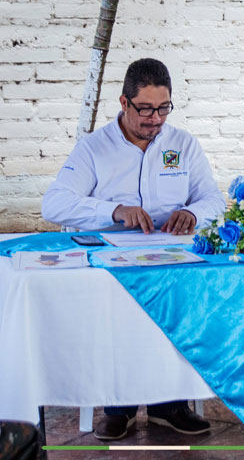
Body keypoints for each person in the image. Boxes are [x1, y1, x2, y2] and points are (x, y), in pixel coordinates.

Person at [42, 58, 225, 440]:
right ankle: (118, 407)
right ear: (124, 103)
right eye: (145, 109)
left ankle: (170, 405)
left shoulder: (183, 145)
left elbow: (213, 199)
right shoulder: (94, 148)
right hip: (113, 260)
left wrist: (192, 212)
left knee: (183, 304)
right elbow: (54, 204)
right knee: (118, 310)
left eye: (163, 108)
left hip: (171, 260)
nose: (155, 119)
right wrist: (113, 210)